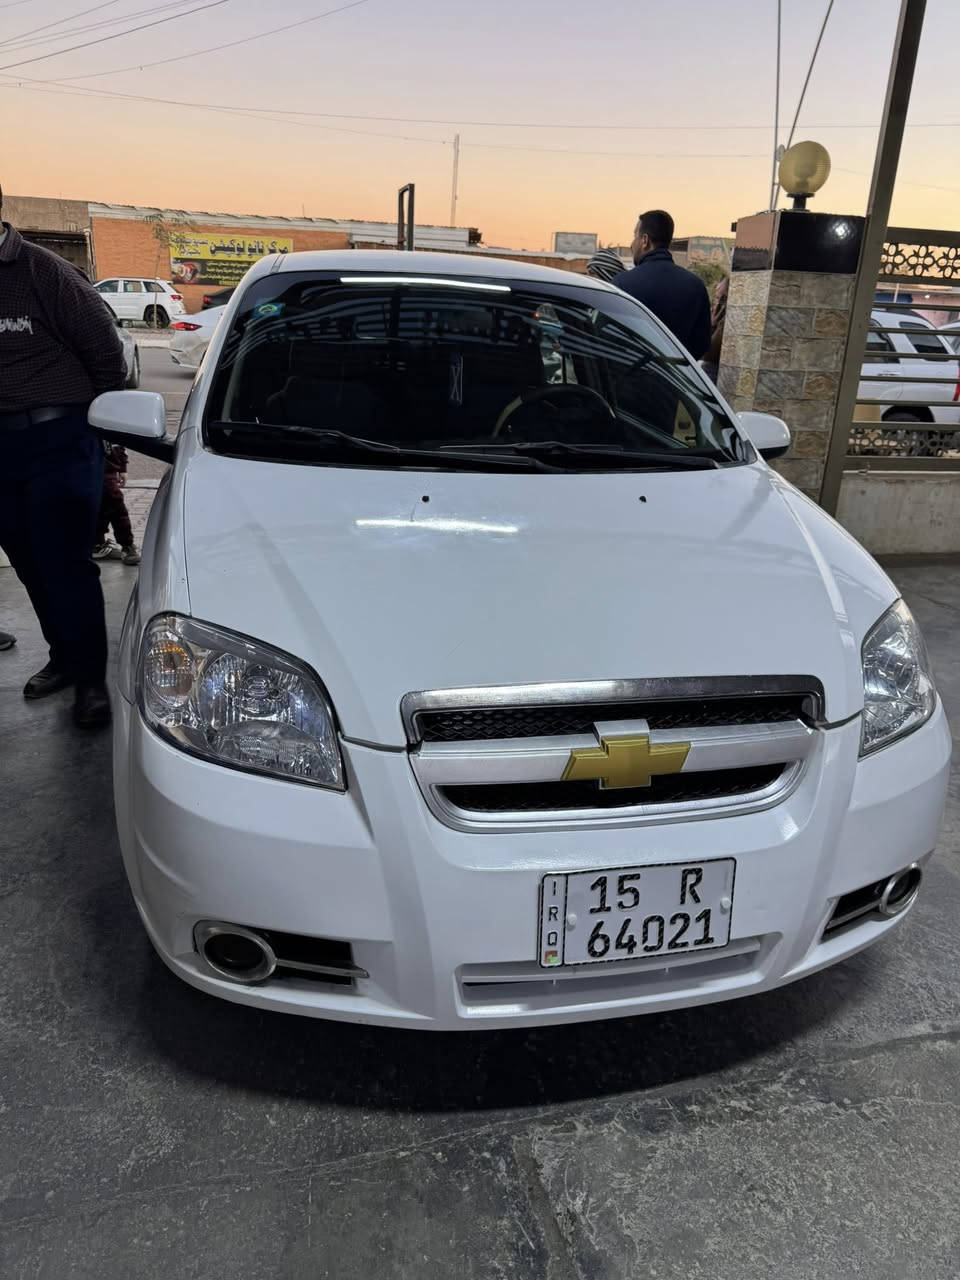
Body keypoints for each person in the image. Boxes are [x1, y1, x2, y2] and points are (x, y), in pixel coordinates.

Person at [0, 185, 127, 728]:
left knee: (65, 564)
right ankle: (65, 658)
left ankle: (91, 681)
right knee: (29, 563)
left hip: (58, 439)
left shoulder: (44, 272)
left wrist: (107, 433)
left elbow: (107, 356)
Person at [614, 210, 712, 358]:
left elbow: (611, 337)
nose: (631, 244)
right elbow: (701, 344)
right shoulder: (695, 286)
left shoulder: (622, 284)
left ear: (645, 240)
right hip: (676, 371)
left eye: (635, 236)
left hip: (630, 369)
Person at [92, 443, 141, 565]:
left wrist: (122, 467)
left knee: (111, 502)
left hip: (106, 468)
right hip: (85, 464)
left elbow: (118, 442)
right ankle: (125, 545)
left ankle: (99, 544)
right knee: (110, 504)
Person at [701, 274, 730, 384]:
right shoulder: (712, 314)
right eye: (716, 297)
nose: (717, 303)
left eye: (723, 298)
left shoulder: (726, 319)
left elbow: (709, 353)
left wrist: (712, 325)